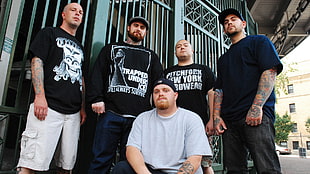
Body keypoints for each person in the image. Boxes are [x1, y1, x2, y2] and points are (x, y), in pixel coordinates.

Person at [87, 16, 163, 173]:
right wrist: (96, 99)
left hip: (138, 118)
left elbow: (159, 84)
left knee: (128, 163)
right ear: (128, 28)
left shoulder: (151, 56)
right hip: (111, 112)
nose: (138, 29)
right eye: (135, 25)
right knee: (101, 158)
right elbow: (98, 74)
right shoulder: (111, 48)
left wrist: (157, 111)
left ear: (145, 33)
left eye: (142, 28)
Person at [17, 3, 86, 174]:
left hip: (72, 113)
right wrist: (40, 96)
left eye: (81, 12)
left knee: (66, 166)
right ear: (63, 14)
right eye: (73, 10)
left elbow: (80, 78)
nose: (77, 13)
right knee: (31, 163)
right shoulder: (49, 33)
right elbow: (37, 61)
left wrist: (82, 107)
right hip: (49, 108)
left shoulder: (80, 45)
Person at [213, 8, 283, 173]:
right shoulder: (223, 59)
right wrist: (216, 117)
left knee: (267, 168)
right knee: (235, 170)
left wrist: (257, 106)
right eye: (225, 22)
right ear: (224, 29)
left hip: (255, 117)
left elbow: (270, 71)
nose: (229, 22)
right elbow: (219, 89)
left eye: (233, 19)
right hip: (230, 122)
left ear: (243, 24)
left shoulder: (259, 42)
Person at [111, 78, 212, 174]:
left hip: (180, 172)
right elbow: (132, 150)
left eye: (166, 90)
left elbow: (195, 159)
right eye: (156, 92)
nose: (161, 94)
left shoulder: (191, 119)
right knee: (121, 168)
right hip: (150, 170)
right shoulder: (142, 118)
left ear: (175, 95)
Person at [164, 39, 215, 174]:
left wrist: (212, 119)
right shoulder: (168, 72)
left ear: (192, 50)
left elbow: (212, 94)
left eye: (185, 45)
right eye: (178, 46)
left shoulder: (203, 69)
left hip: (200, 125)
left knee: (205, 164)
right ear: (175, 53)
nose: (182, 48)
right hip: (173, 126)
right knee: (175, 162)